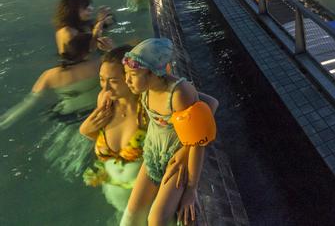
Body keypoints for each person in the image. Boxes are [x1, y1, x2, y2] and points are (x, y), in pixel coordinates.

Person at [121, 38, 218, 226]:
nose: (127, 80)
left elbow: (198, 143)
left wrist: (191, 189)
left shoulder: (178, 94)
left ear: (152, 73)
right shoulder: (147, 88)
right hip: (153, 155)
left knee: (156, 220)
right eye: (126, 74)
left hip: (176, 162)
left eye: (132, 74)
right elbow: (211, 103)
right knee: (131, 217)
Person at [0, 34, 102, 179]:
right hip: (95, 117)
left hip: (68, 120)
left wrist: (5, 121)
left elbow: (28, 103)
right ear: (88, 51)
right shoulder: (99, 64)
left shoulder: (49, 75)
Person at [80, 45, 149, 214]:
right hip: (114, 194)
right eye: (102, 79)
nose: (106, 88)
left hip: (145, 200)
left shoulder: (149, 106)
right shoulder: (105, 101)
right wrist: (86, 131)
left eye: (114, 81)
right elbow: (104, 144)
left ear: (131, 76)